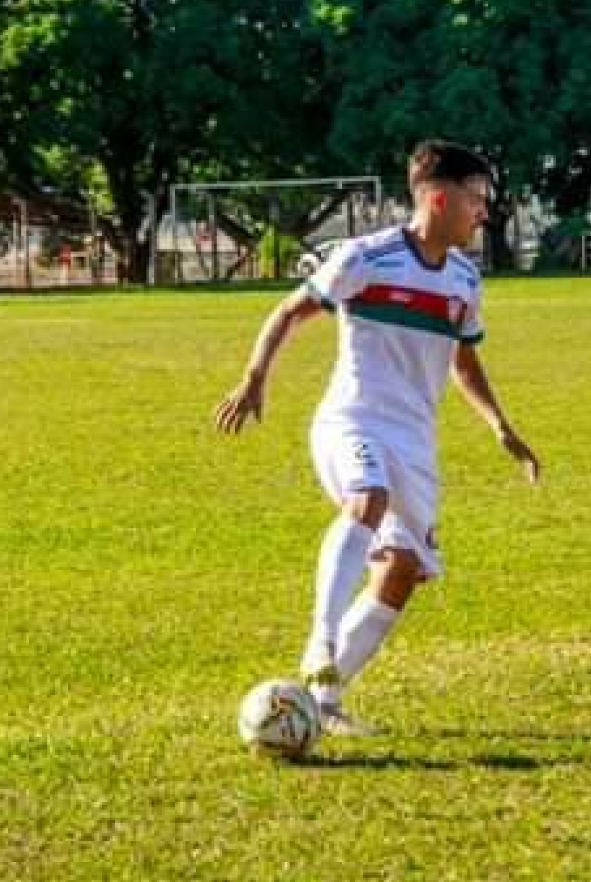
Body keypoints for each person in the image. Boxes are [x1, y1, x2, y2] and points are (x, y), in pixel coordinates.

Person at [215, 140, 540, 735]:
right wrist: (254, 378)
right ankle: (319, 644)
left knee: (403, 569)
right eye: (477, 200)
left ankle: (326, 704)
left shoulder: (465, 280)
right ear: (439, 198)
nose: (484, 213)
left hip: (414, 441)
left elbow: (462, 362)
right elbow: (291, 310)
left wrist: (500, 426)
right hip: (352, 419)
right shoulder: (369, 257)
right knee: (368, 499)